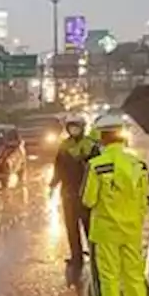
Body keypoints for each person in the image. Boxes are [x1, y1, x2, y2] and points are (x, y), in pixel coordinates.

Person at [82, 113, 149, 296]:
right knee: (134, 279)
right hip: (132, 232)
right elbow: (144, 202)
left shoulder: (96, 165)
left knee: (107, 281)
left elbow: (88, 199)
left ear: (102, 137)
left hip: (104, 234)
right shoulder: (139, 165)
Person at [48, 114, 100, 286]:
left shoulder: (91, 146)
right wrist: (53, 185)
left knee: (89, 226)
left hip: (86, 193)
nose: (74, 130)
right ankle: (76, 256)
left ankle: (95, 255)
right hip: (68, 193)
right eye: (71, 127)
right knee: (71, 227)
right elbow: (58, 168)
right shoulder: (64, 146)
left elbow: (98, 169)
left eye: (76, 126)